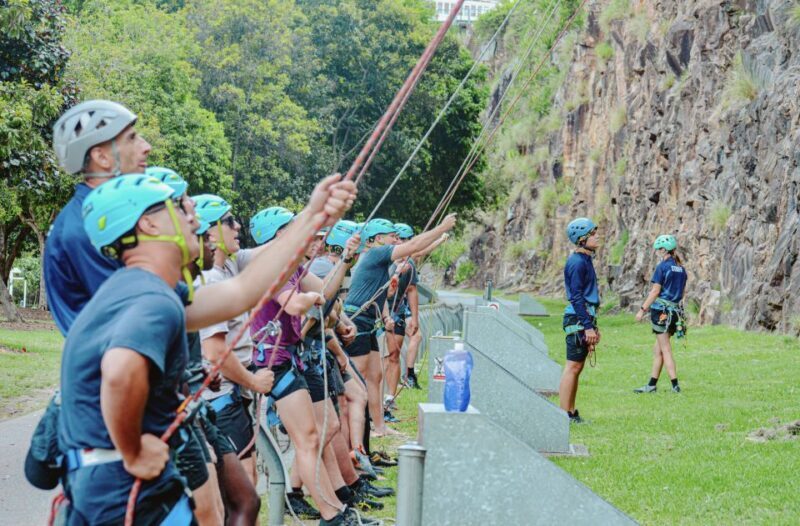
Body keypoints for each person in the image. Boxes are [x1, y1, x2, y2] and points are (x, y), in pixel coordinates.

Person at [59, 173, 355, 523]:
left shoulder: (159, 290)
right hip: (116, 483)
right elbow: (119, 374)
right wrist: (134, 450)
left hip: (115, 476)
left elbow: (243, 291)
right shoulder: (147, 297)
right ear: (150, 224)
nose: (195, 218)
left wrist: (312, 215)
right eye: (182, 209)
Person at [344, 215, 456, 437]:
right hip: (357, 322)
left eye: (397, 237)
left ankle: (379, 427)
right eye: (392, 237)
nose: (397, 241)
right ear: (376, 239)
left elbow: (378, 293)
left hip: (368, 321)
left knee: (375, 377)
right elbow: (414, 246)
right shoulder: (375, 254)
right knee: (357, 382)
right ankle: (354, 437)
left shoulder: (381, 261)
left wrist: (385, 317)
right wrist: (442, 228)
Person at [46, 99, 151, 336]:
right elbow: (136, 313)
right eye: (132, 138)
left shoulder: (106, 218)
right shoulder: (86, 229)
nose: (147, 147)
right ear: (102, 158)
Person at [559, 217, 601, 424]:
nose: (597, 237)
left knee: (578, 367)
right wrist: (587, 326)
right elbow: (575, 296)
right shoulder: (576, 262)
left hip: (585, 316)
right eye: (593, 234)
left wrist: (592, 325)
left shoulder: (585, 260)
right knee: (572, 367)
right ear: (582, 238)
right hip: (577, 317)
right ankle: (562, 414)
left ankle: (571, 411)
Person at [634, 235, 687, 394]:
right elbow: (682, 293)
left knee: (665, 349)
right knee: (658, 350)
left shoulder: (662, 267)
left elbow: (655, 291)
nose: (657, 252)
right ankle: (651, 385)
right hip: (675, 313)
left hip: (662, 313)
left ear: (664, 250)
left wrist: (642, 309)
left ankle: (675, 385)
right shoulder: (682, 269)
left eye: (658, 249)